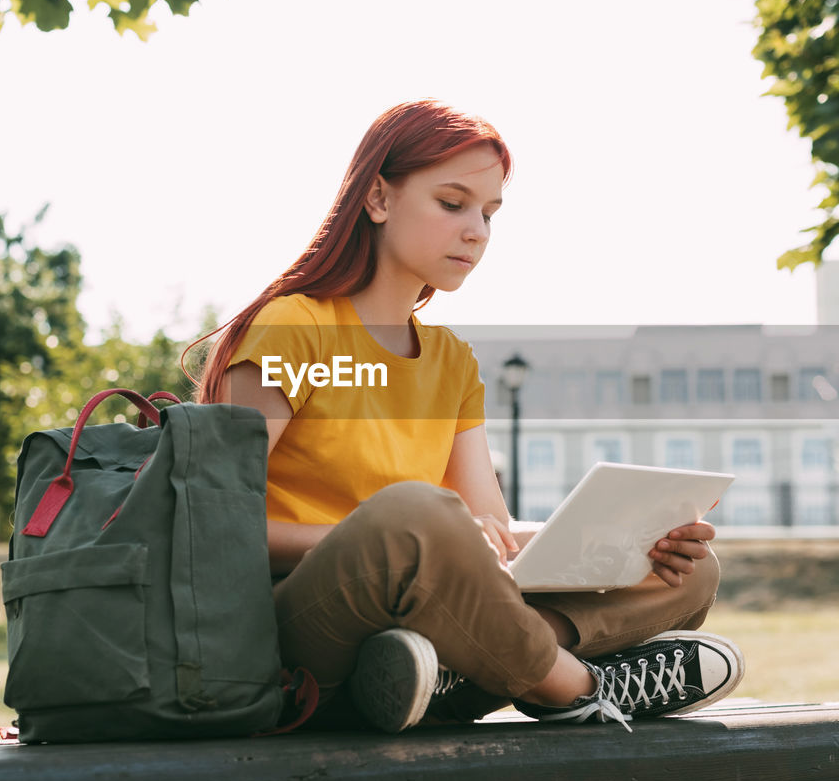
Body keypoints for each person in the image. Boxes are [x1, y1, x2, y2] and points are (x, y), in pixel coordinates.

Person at [194, 99, 744, 732]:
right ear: (377, 199)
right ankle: (580, 686)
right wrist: (405, 546)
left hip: (415, 620)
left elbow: (491, 536)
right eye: (452, 204)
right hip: (295, 630)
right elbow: (215, 528)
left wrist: (633, 540)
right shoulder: (295, 327)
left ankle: (446, 672)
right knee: (419, 515)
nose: (477, 231)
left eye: (489, 213)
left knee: (685, 573)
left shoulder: (451, 361)